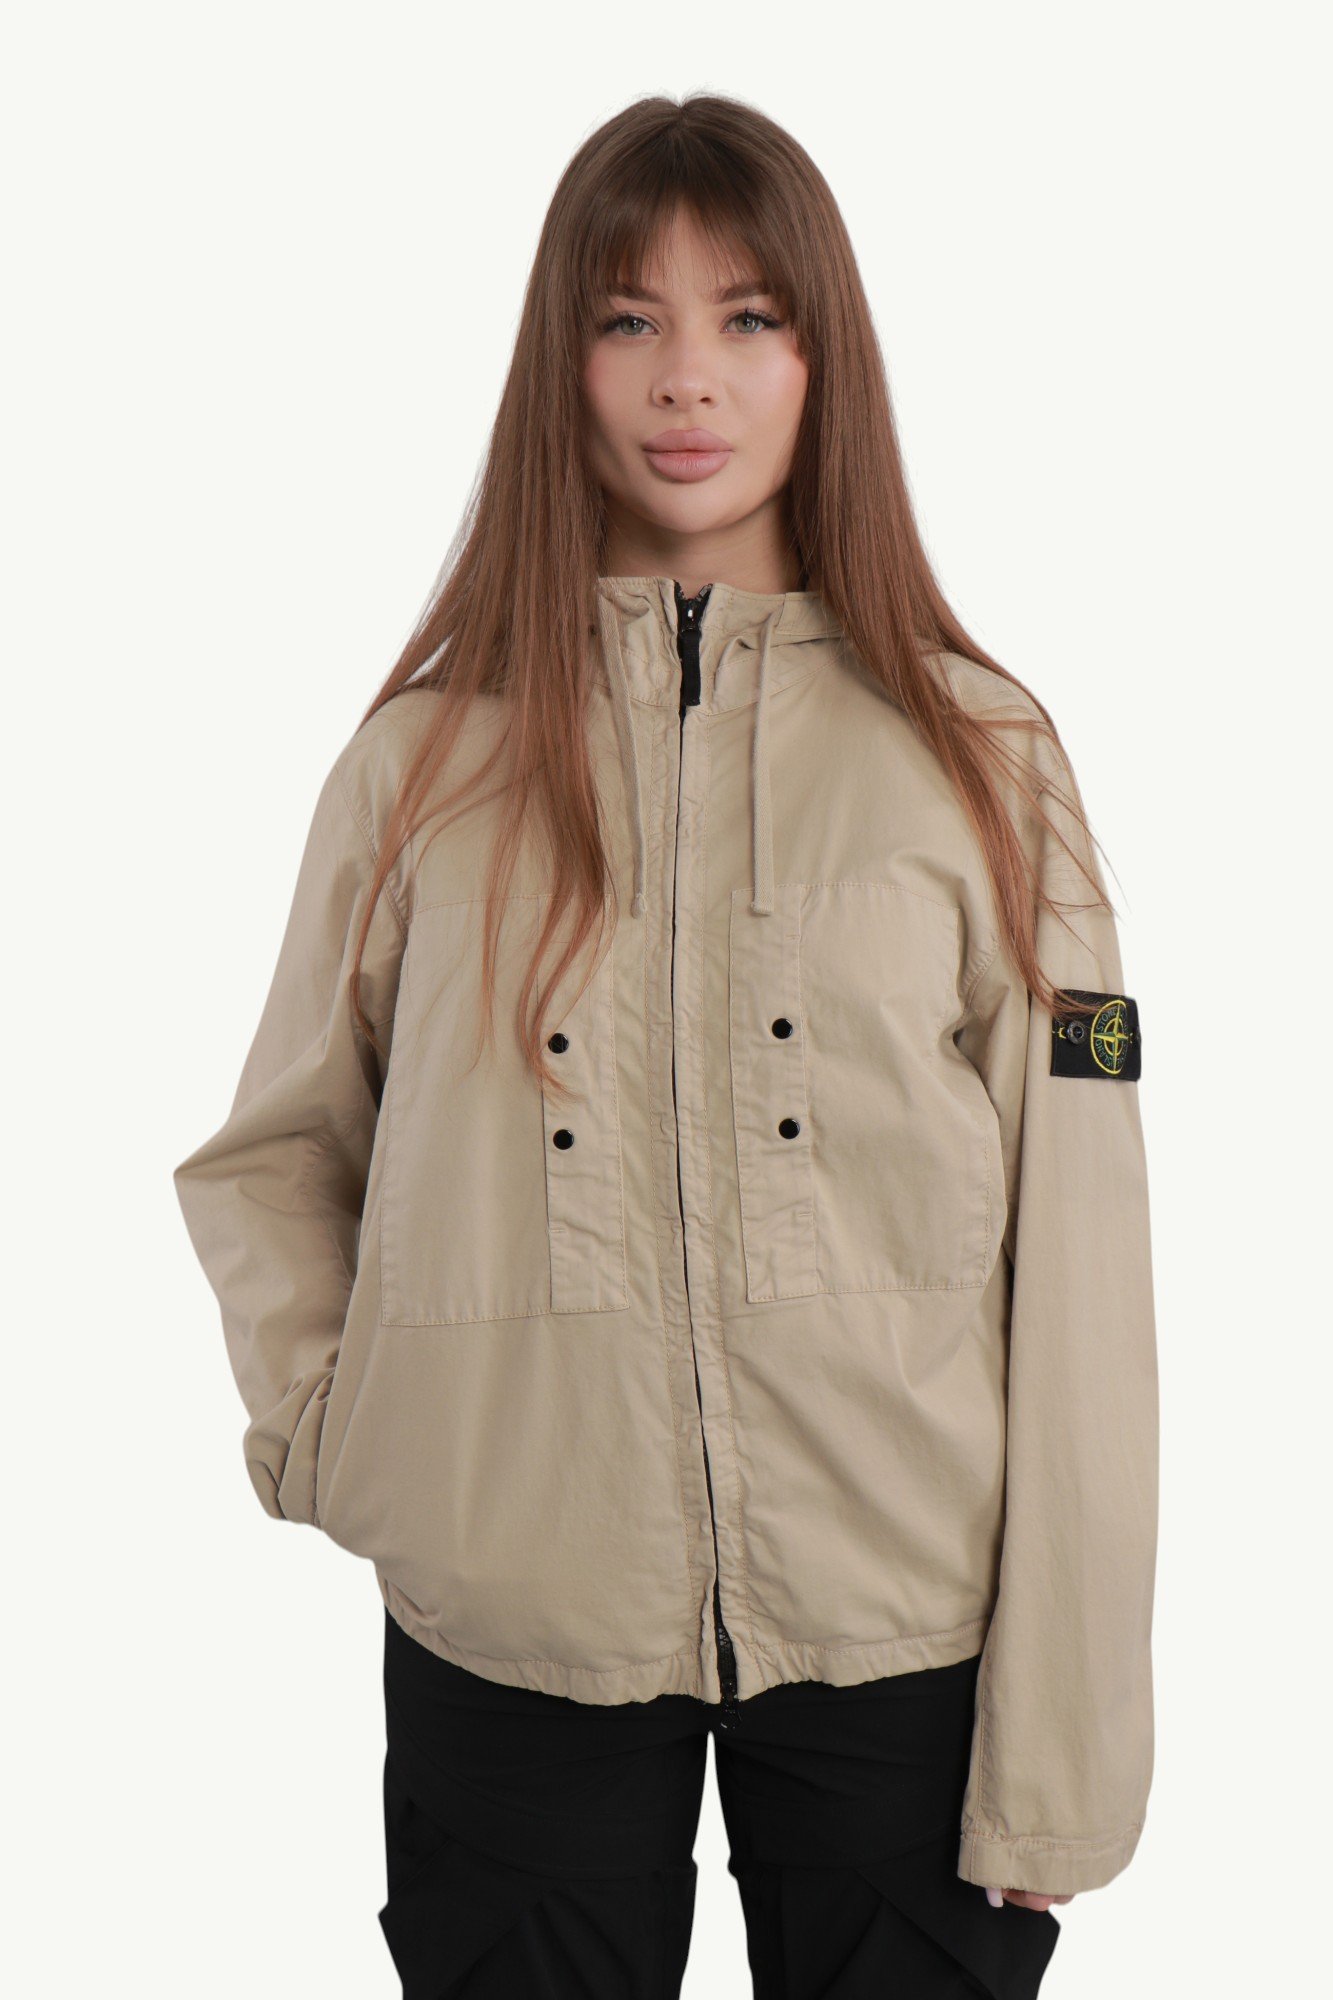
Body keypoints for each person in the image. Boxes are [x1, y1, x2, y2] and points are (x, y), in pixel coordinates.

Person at [173, 91, 1158, 1999]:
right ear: (561, 364)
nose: (684, 377)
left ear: (822, 358)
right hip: (508, 1610)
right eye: (627, 318)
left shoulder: (985, 758)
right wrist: (344, 1442)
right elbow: (277, 1156)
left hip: (904, 1627)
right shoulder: (421, 767)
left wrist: (1058, 1761)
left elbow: (1086, 1235)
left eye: (748, 317)